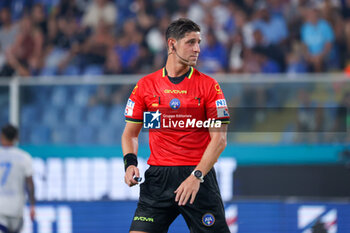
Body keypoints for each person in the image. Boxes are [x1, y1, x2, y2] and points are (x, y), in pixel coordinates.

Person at [122, 18, 230, 233]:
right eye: (190, 42)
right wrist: (130, 163)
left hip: (198, 177)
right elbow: (130, 134)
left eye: (199, 42)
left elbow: (219, 139)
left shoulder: (209, 86)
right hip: (158, 179)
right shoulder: (145, 86)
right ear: (172, 45)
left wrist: (196, 177)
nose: (197, 49)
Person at [0, 124, 35, 233]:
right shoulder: (24, 157)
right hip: (16, 209)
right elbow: (30, 184)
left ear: (2, 136)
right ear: (16, 138)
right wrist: (33, 205)